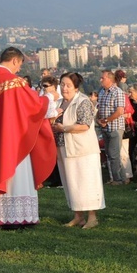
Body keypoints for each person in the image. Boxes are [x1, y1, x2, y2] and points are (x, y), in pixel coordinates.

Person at [0, 47, 56, 228]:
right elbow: (33, 106)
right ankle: (16, 218)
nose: (19, 70)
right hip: (12, 141)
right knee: (17, 175)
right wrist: (48, 97)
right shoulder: (13, 82)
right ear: (15, 60)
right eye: (19, 65)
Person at [51, 73, 105, 229]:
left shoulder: (83, 102)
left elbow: (85, 125)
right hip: (64, 148)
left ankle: (92, 217)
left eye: (68, 85)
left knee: (86, 182)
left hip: (83, 150)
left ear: (76, 87)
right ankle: (78, 216)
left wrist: (65, 128)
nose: (64, 88)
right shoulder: (59, 103)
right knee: (71, 182)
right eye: (62, 84)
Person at [97, 70, 126, 185]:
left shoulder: (117, 92)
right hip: (105, 128)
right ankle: (122, 177)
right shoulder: (102, 92)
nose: (101, 80)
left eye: (102, 78)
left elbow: (119, 111)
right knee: (110, 154)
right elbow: (100, 108)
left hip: (115, 127)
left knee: (114, 154)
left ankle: (117, 179)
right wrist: (100, 119)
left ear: (110, 79)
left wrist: (106, 120)